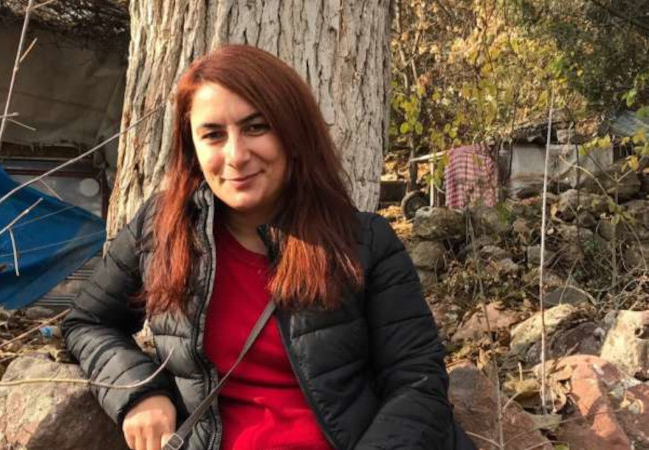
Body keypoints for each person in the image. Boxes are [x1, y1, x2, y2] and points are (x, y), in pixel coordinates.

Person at [63, 45, 473, 450]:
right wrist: (138, 391)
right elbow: (88, 322)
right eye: (213, 135)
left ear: (293, 133)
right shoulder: (161, 228)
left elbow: (417, 381)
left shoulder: (364, 242)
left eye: (256, 127)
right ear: (192, 148)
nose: (236, 156)